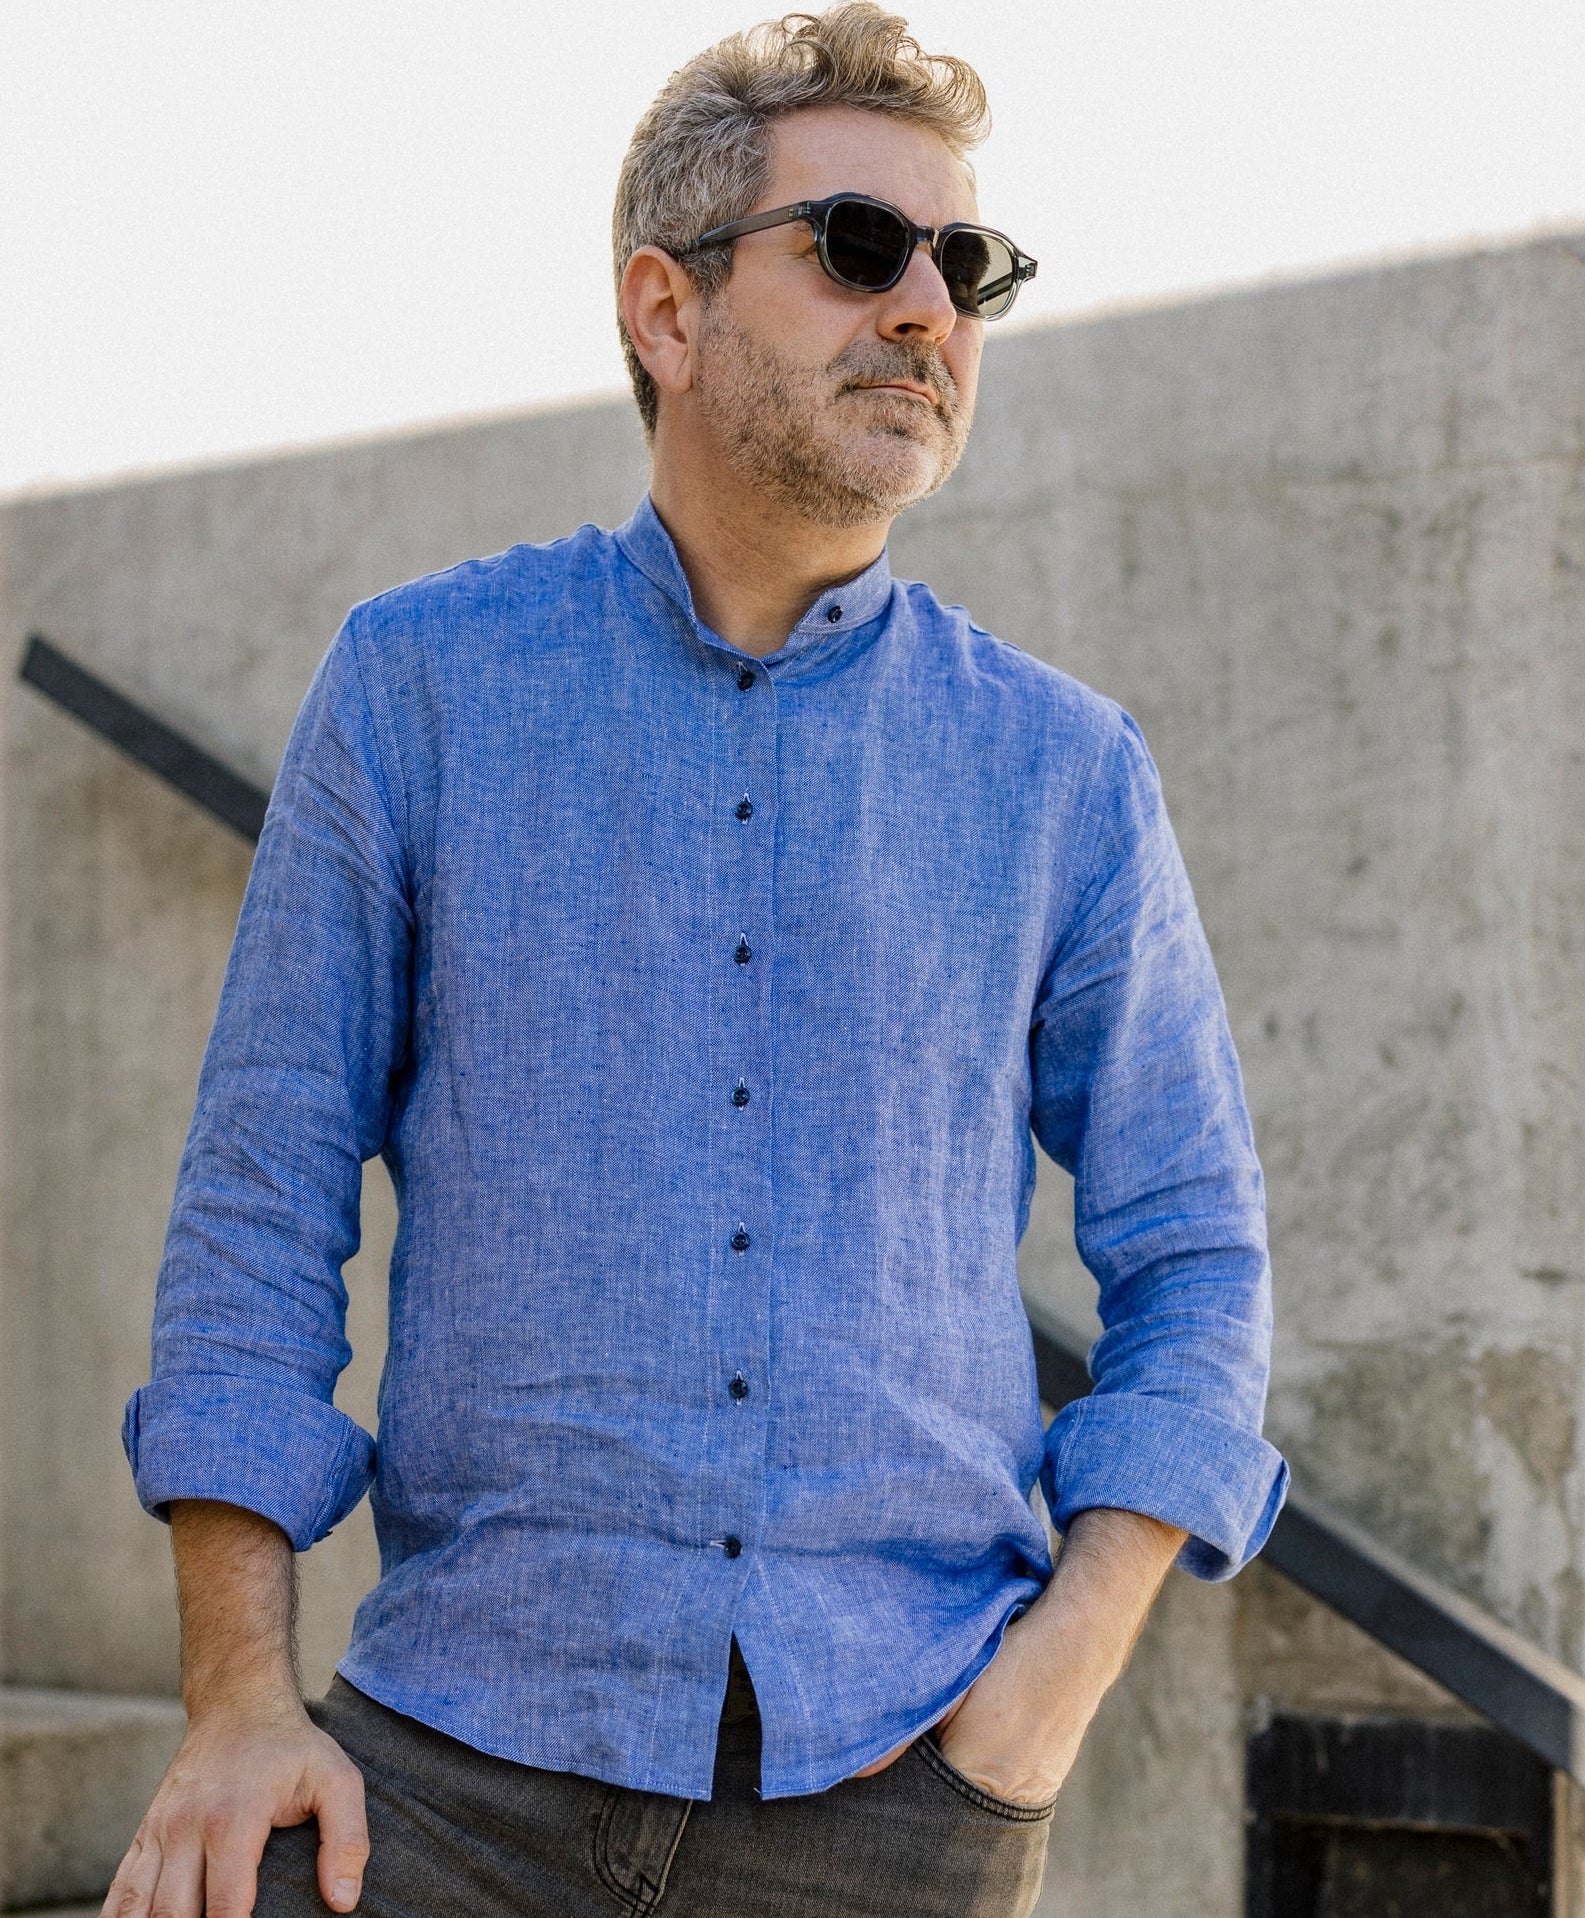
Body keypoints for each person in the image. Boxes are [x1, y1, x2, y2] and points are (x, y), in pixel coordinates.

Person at [105, 8, 1287, 1916]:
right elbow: (260, 1198)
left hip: (897, 1802)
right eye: (857, 246)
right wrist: (237, 1696)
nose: (927, 308)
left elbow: (1197, 1251)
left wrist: (1041, 1699)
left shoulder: (1061, 771)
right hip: (444, 1794)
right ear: (666, 310)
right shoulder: (418, 688)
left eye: (966, 265)